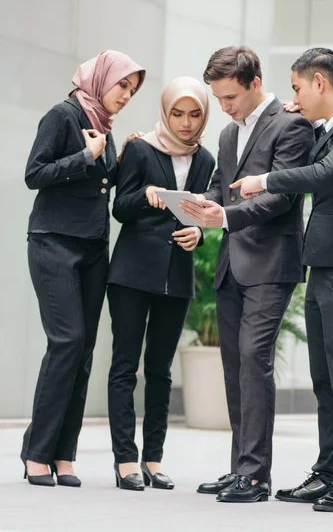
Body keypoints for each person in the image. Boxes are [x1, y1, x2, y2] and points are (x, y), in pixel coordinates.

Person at [231, 47, 333, 513]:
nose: (293, 96)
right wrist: (314, 120)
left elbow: (321, 174)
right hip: (326, 266)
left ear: (319, 82)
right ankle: (328, 471)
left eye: (297, 87)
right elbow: (322, 158)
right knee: (324, 379)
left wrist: (265, 180)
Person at [180, 46, 314, 503]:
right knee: (235, 368)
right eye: (219, 99)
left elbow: (283, 197)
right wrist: (194, 204)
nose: (225, 107)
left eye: (231, 97)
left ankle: (255, 476)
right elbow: (222, 187)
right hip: (231, 264)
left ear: (256, 82)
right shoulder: (227, 135)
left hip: (270, 264)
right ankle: (240, 467)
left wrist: (226, 218)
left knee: (255, 363)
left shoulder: (291, 125)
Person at [21, 50, 146, 487]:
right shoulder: (63, 115)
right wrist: (87, 155)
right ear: (100, 79)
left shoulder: (105, 127)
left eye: (132, 90)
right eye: (122, 86)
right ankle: (37, 451)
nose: (126, 96)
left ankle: (63, 455)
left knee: (85, 349)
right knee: (67, 341)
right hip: (54, 243)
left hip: (94, 249)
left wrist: (120, 156)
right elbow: (34, 173)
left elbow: (102, 183)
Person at [107, 76, 215, 491]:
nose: (185, 123)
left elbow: (204, 213)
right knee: (125, 366)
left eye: (194, 114)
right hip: (132, 274)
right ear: (165, 112)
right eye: (177, 113)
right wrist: (148, 192)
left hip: (177, 274)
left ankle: (153, 458)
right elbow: (121, 208)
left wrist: (199, 234)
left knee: (161, 370)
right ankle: (124, 461)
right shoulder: (139, 148)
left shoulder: (204, 159)